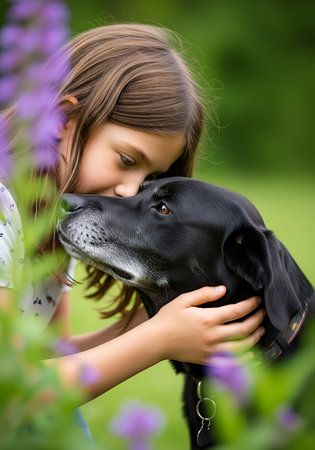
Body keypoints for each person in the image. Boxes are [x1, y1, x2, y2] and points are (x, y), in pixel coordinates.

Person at [0, 23, 265, 423]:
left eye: (148, 180)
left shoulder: (52, 210)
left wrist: (152, 323)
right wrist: (157, 340)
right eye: (126, 160)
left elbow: (47, 358)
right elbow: (13, 395)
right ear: (64, 118)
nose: (130, 192)